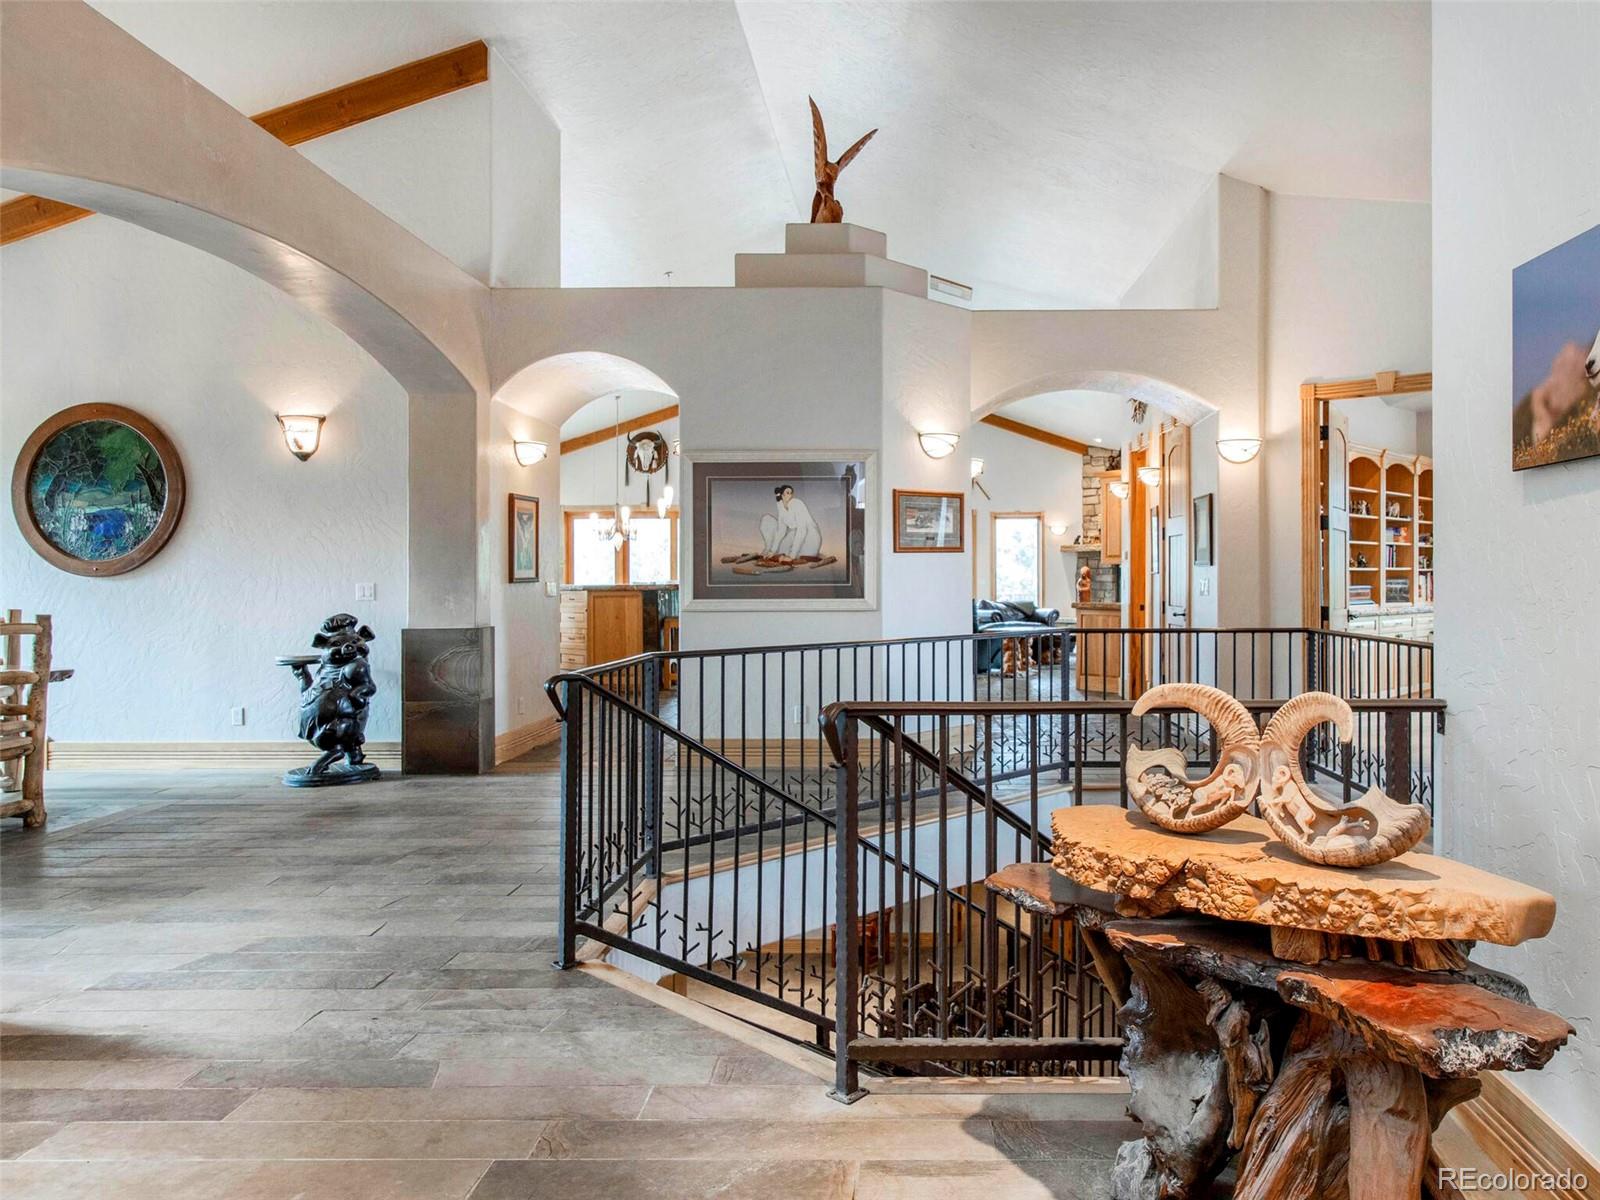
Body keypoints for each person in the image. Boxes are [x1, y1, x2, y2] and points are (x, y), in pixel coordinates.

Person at [759, 484, 822, 561]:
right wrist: (772, 551)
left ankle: (796, 554)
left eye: (791, 493)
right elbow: (781, 532)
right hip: (795, 534)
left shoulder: (797, 503)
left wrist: (792, 555)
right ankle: (770, 549)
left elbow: (802, 530)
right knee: (766, 519)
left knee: (796, 554)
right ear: (782, 495)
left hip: (810, 535)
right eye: (788, 492)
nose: (790, 495)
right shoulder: (781, 508)